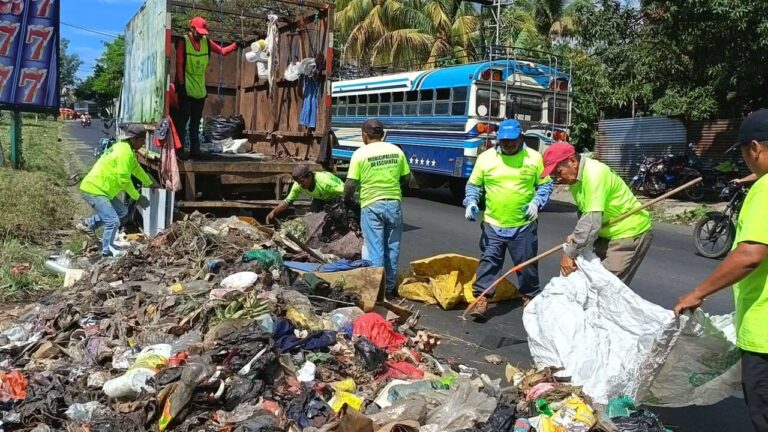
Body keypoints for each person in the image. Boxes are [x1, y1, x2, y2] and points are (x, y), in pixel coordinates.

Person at [674, 108, 768, 432]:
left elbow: (750, 254)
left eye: (744, 152)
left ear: (755, 147)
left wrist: (698, 293)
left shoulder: (765, 191)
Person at [463, 119, 554, 319]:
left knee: (526, 263)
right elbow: (474, 185)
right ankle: (482, 299)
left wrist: (536, 203)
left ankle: (530, 296)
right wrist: (470, 202)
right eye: (504, 141)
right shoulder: (486, 158)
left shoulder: (533, 158)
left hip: (523, 225)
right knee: (489, 261)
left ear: (521, 138)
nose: (508, 144)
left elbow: (545, 185)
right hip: (493, 222)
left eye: (512, 140)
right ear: (498, 140)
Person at [541, 141, 653, 284]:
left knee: (605, 286)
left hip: (629, 232)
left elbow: (592, 220)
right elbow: (585, 212)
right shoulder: (575, 180)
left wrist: (570, 253)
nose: (558, 179)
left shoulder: (594, 174)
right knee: (588, 280)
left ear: (572, 161)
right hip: (605, 233)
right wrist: (576, 235)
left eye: (558, 172)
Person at [342, 119, 411, 296]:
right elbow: (406, 178)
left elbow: (350, 184)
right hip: (393, 203)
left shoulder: (360, 154)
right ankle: (388, 288)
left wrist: (347, 200)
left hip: (371, 205)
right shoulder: (396, 151)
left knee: (375, 249)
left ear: (365, 135)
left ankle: (376, 291)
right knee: (392, 248)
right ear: (383, 134)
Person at [77, 124, 157, 257]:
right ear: (133, 139)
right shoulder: (124, 153)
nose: (143, 144)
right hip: (94, 189)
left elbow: (136, 169)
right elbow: (124, 180)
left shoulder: (125, 149)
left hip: (102, 189)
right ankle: (107, 252)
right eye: (142, 140)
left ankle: (88, 224)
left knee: (122, 211)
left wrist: (150, 182)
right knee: (113, 221)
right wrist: (137, 197)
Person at [173, 16, 243, 158]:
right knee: (182, 121)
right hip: (185, 87)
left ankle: (195, 150)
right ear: (191, 29)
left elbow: (222, 51)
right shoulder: (183, 42)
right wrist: (181, 85)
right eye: (199, 32)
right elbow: (179, 65)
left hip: (199, 89)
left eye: (203, 32)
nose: (201, 35)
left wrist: (235, 45)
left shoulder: (206, 42)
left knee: (195, 122)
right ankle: (179, 151)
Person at [266, 166, 344, 224]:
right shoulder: (298, 184)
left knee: (336, 217)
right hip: (321, 198)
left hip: (337, 196)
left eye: (302, 181)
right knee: (314, 217)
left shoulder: (325, 182)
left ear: (309, 176)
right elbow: (288, 202)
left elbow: (346, 191)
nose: (300, 185)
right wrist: (273, 213)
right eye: (298, 182)